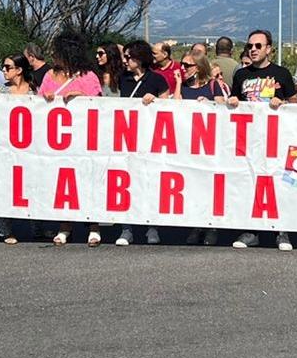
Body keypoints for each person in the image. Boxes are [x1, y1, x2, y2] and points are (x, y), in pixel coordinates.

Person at [228, 30, 296, 251]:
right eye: (250, 46)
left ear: (269, 49)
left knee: (277, 183)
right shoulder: (241, 75)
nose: (253, 50)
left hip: (276, 140)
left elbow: (296, 105)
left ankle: (281, 230)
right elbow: (235, 100)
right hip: (249, 141)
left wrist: (283, 101)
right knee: (250, 182)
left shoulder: (282, 74)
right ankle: (252, 230)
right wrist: (232, 101)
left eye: (258, 46)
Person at [39, 30, 104, 246]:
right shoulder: (49, 76)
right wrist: (47, 99)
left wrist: (81, 97)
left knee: (87, 181)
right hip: (56, 141)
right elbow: (37, 104)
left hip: (84, 140)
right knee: (62, 183)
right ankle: (65, 225)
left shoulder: (88, 77)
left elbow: (100, 106)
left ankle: (93, 225)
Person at [115, 40, 170, 246]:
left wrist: (155, 101)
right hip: (127, 139)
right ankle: (127, 228)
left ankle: (151, 227)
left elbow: (169, 106)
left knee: (149, 182)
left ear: (140, 58)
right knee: (126, 181)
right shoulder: (123, 78)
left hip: (151, 140)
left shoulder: (157, 80)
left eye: (129, 57)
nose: (125, 61)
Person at [0, 54, 40, 245]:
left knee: (31, 186)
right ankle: (5, 230)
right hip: (4, 147)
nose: (4, 71)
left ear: (19, 70)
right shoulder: (0, 90)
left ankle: (37, 227)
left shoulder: (35, 92)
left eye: (8, 67)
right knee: (3, 186)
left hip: (29, 148)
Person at [177, 51, 228, 247]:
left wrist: (209, 105)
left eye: (187, 65)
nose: (183, 68)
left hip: (211, 145)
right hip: (189, 146)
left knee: (210, 186)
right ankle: (196, 225)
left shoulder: (213, 85)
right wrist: (179, 84)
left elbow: (223, 109)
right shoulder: (184, 87)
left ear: (198, 67)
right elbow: (174, 106)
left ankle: (212, 227)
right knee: (194, 186)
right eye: (182, 64)